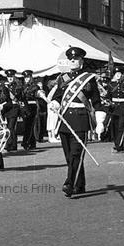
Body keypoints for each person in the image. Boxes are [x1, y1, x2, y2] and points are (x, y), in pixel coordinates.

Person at [47, 47, 104, 197]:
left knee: (76, 155)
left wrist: (100, 122)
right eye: (71, 59)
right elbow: (58, 97)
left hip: (80, 120)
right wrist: (54, 103)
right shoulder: (62, 78)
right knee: (69, 156)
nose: (73, 61)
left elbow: (97, 102)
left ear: (81, 61)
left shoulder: (89, 79)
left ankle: (69, 183)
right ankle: (80, 184)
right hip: (65, 120)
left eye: (76, 59)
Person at [107, 65, 124, 152]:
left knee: (121, 127)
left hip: (123, 107)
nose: (118, 75)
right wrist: (108, 102)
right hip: (114, 107)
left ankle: (118, 145)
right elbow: (108, 96)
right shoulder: (111, 85)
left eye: (119, 73)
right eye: (116, 74)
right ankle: (118, 143)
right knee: (114, 127)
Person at [21, 70, 39, 150]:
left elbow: (33, 94)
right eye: (25, 77)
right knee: (27, 125)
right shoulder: (22, 86)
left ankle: (26, 142)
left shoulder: (34, 86)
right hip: (24, 106)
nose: (26, 79)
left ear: (31, 77)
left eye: (28, 77)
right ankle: (32, 143)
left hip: (32, 106)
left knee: (30, 125)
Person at [4, 69, 21, 151]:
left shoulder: (17, 86)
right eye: (8, 76)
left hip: (14, 107)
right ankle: (12, 144)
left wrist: (8, 90)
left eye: (11, 76)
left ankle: (10, 144)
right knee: (8, 127)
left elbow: (15, 97)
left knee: (11, 127)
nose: (10, 78)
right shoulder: (5, 86)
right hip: (7, 108)